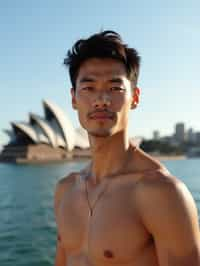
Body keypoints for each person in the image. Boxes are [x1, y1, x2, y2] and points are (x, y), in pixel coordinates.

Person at [54, 30, 200, 266]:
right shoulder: (65, 190)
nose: (101, 99)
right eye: (88, 88)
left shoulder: (162, 193)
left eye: (115, 88)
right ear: (73, 98)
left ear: (135, 97)